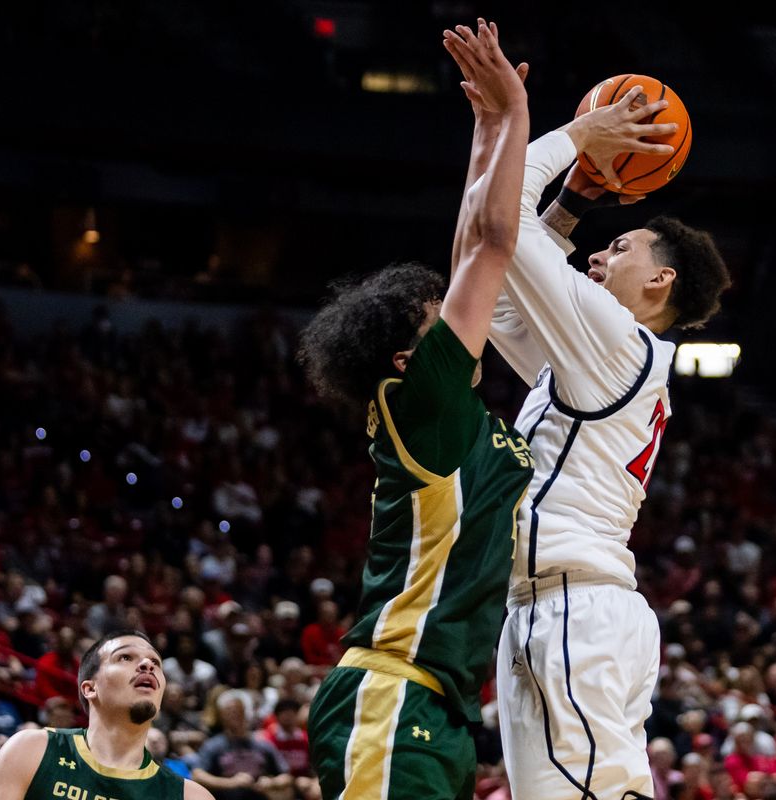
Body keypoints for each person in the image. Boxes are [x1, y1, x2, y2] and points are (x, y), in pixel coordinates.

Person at [301, 19, 537, 800]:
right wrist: (521, 118)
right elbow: (491, 246)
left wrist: (489, 125)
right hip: (391, 697)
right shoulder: (420, 400)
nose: (457, 318)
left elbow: (472, 242)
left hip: (434, 712)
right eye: (437, 321)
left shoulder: (442, 412)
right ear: (406, 357)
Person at [485, 60, 730, 800]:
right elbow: (496, 305)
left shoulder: (618, 340)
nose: (597, 251)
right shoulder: (599, 355)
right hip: (557, 606)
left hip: (573, 607)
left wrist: (573, 135)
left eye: (621, 247)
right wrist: (572, 202)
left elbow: (499, 221)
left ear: (661, 283)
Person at [0, 629, 213, 799]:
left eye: (155, 663)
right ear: (90, 688)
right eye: (126, 657)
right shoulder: (33, 750)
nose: (147, 665)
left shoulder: (188, 796)